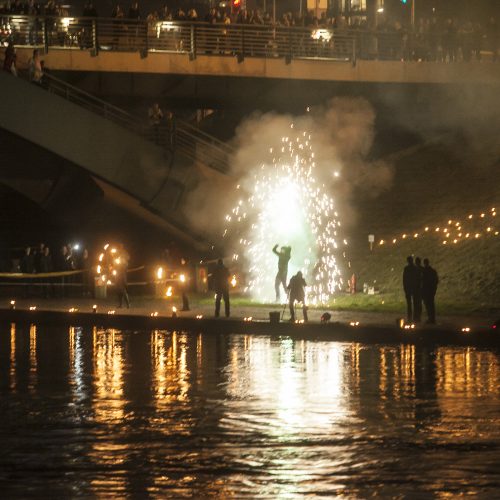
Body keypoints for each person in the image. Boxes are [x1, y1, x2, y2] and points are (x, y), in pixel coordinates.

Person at [402, 255, 419, 323]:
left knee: (410, 304)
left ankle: (410, 317)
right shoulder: (415, 268)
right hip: (414, 288)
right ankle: (415, 317)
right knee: (415, 303)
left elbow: (404, 279)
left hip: (409, 288)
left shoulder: (406, 268)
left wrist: (405, 287)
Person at [422, 258, 439, 324]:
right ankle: (432, 318)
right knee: (431, 305)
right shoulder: (432, 271)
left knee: (428, 305)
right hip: (431, 290)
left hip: (426, 290)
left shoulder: (424, 271)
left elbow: (422, 281)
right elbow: (436, 280)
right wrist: (434, 289)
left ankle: (430, 318)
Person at [414, 256, 424, 322]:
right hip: (418, 287)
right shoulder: (421, 269)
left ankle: (417, 316)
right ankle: (417, 316)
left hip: (418, 287)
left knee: (417, 303)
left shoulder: (415, 269)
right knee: (417, 303)